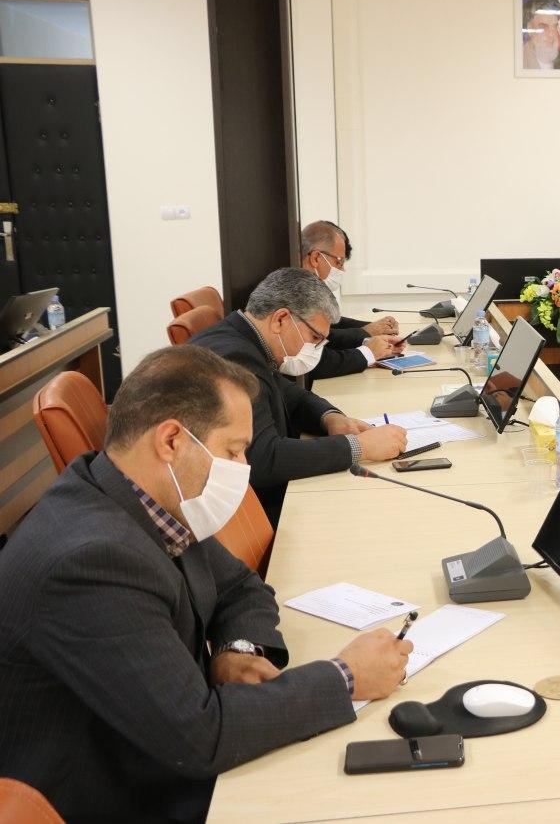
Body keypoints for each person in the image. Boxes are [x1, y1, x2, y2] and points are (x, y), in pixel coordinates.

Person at [0, 344, 412, 821]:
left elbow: (241, 586)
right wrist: (346, 678)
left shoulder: (138, 493)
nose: (243, 466)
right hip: (119, 793)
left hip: (158, 746)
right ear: (172, 440)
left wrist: (238, 649)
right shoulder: (90, 561)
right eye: (233, 450)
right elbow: (200, 737)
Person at [189, 268, 407, 525]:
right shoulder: (234, 358)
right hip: (253, 512)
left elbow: (286, 392)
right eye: (315, 337)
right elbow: (263, 458)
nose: (316, 348)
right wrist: (360, 447)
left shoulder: (243, 339)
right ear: (281, 319)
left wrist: (330, 418)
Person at [298, 220, 405, 380]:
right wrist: (368, 352)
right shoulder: (294, 292)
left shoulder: (308, 286)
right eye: (339, 262)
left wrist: (371, 333)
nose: (342, 269)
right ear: (315, 258)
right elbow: (317, 361)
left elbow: (330, 326)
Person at [521, 0, 560, 70]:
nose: (551, 34)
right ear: (530, 28)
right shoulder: (520, 62)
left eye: (554, 26)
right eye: (543, 27)